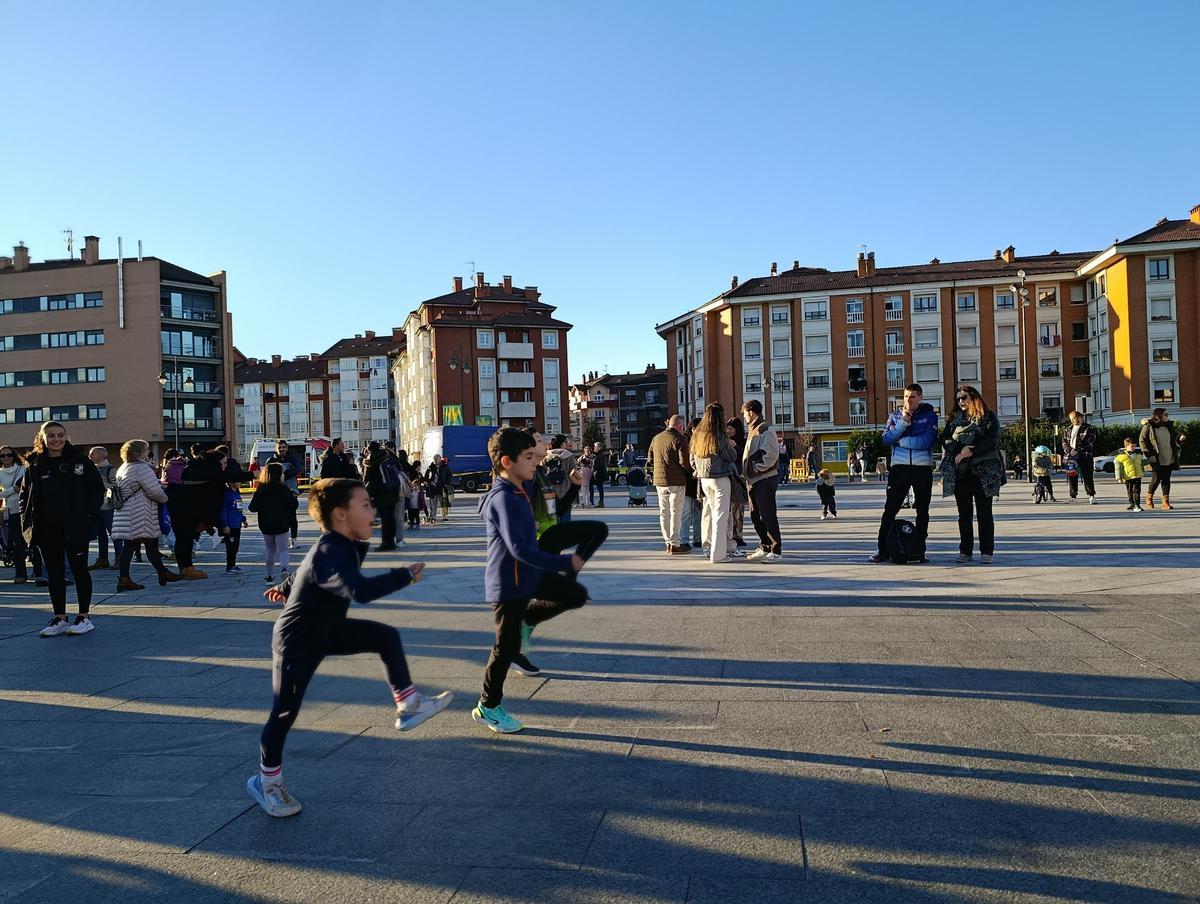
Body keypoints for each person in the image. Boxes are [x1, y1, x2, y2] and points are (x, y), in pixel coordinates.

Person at [250, 477, 452, 817]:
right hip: (297, 641)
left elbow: (307, 565)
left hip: (329, 629)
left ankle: (409, 705)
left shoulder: (348, 543)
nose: (373, 511)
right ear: (341, 514)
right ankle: (267, 782)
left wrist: (286, 586)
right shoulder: (333, 548)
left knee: (385, 636)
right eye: (365, 505)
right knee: (284, 713)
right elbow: (359, 591)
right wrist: (404, 575)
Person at [473, 428, 589, 734]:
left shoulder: (519, 489)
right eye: (528, 457)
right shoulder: (504, 497)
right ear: (508, 462)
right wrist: (564, 561)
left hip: (527, 575)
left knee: (574, 594)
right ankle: (489, 706)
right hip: (509, 583)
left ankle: (529, 619)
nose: (535, 462)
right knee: (505, 646)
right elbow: (518, 549)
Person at [515, 427, 609, 675]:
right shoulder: (524, 475)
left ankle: (524, 628)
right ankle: (515, 647)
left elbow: (556, 507)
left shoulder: (540, 471)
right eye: (537, 439)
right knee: (526, 600)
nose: (545, 442)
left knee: (597, 529)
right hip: (534, 542)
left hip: (550, 536)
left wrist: (576, 486)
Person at [20, 421, 105, 637]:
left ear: (66, 436)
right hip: (46, 528)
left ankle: (84, 617)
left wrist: (86, 514)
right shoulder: (35, 464)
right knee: (55, 573)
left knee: (79, 570)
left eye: (60, 435)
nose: (56, 439)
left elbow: (96, 490)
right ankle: (60, 618)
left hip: (75, 526)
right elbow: (25, 497)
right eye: (51, 435)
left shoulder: (79, 461)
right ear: (42, 438)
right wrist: (27, 522)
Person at [871, 384, 938, 564]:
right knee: (890, 509)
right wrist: (902, 423)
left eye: (913, 396)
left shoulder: (929, 416)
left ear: (920, 398)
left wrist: (901, 440)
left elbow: (927, 441)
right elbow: (886, 439)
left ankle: (919, 549)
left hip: (921, 467)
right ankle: (882, 549)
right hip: (899, 468)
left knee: (922, 510)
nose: (908, 400)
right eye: (906, 396)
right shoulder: (894, 416)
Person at [940, 385, 1004, 564]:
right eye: (958, 398)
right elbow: (945, 439)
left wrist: (970, 451)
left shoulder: (988, 417)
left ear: (974, 397)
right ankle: (965, 551)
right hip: (962, 473)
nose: (961, 401)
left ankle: (987, 551)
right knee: (964, 514)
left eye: (964, 397)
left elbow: (993, 440)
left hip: (984, 471)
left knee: (985, 513)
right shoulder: (953, 418)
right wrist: (961, 450)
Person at [111, 439, 183, 591]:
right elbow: (154, 491)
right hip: (140, 511)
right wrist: (165, 498)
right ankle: (160, 574)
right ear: (139, 452)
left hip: (127, 512)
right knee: (146, 543)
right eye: (146, 449)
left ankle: (132, 577)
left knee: (133, 545)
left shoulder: (124, 467)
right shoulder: (141, 468)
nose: (148, 452)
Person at [690, 403, 739, 564]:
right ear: (720, 417)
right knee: (720, 516)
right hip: (720, 478)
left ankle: (708, 546)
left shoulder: (697, 434)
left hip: (704, 479)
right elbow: (731, 456)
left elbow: (692, 460)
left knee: (708, 514)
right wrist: (732, 446)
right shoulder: (719, 435)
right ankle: (718, 554)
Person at [741, 399, 782, 562]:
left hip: (764, 479)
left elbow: (771, 455)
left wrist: (754, 469)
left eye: (744, 413)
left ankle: (776, 549)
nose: (744, 417)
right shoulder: (753, 429)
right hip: (753, 480)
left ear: (751, 412)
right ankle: (765, 546)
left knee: (767, 515)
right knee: (755, 515)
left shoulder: (765, 429)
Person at [647, 415, 692, 555]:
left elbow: (650, 459)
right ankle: (675, 544)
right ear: (680, 426)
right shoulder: (680, 439)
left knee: (664, 513)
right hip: (676, 481)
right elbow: (684, 462)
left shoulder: (657, 438)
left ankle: (667, 543)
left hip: (660, 481)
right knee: (676, 513)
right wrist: (692, 473)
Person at [249, 462, 300, 582]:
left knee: (270, 550)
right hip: (281, 523)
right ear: (277, 475)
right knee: (283, 550)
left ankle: (269, 576)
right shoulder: (283, 488)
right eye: (282, 473)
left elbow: (252, 508)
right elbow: (294, 505)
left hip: (266, 524)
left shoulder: (261, 489)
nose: (283, 475)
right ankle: (284, 569)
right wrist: (293, 497)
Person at [1, 446, 43, 585]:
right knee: (18, 544)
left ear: (14, 455)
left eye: (9, 454)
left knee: (34, 541)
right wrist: (12, 490)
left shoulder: (23, 468)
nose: (6, 457)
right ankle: (20, 574)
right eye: (3, 455)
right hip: (12, 511)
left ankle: (39, 573)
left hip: (28, 509)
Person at [1139, 408, 1186, 510]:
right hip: (1156, 457)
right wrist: (1149, 455)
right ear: (1158, 415)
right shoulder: (1148, 426)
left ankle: (1165, 502)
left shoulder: (1169, 426)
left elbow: (1175, 438)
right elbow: (1142, 441)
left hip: (1169, 456)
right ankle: (1149, 498)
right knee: (1156, 479)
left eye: (1167, 414)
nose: (1167, 416)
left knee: (1166, 479)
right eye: (1165, 414)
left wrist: (1180, 438)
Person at [361, 441, 401, 550]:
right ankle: (391, 542)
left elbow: (367, 479)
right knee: (391, 517)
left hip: (382, 492)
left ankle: (385, 543)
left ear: (369, 450)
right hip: (393, 490)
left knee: (385, 518)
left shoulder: (370, 461)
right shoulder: (387, 456)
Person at [88, 446, 120, 570]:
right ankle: (103, 559)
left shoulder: (111, 470)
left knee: (114, 533)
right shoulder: (90, 469)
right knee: (101, 534)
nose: (90, 456)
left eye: (92, 454)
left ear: (102, 455)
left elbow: (115, 487)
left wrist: (100, 483)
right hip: (95, 507)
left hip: (107, 506)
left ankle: (119, 557)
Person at [266, 440, 301, 546]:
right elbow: (267, 474)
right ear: (276, 448)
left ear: (287, 448)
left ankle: (294, 539)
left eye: (283, 447)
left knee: (292, 517)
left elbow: (298, 469)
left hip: (291, 491)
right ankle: (281, 540)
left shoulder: (293, 458)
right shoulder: (271, 460)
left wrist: (283, 474)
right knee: (278, 517)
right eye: (279, 447)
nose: (282, 449)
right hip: (276, 493)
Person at [1062, 410, 1099, 503]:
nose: (1072, 421)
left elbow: (1089, 442)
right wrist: (1070, 451)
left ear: (1080, 417)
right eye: (1071, 419)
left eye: (1074, 419)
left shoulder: (1089, 428)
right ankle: (1073, 496)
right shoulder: (1068, 429)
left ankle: (1091, 495)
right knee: (1072, 476)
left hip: (1084, 456)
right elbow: (1064, 442)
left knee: (1087, 476)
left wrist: (1077, 450)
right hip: (1070, 457)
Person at [545, 435, 582, 523]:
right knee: (565, 517)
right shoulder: (568, 456)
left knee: (552, 517)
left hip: (549, 491)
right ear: (562, 444)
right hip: (566, 490)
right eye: (566, 442)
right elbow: (574, 472)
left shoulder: (546, 455)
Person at [725, 418, 749, 548]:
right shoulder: (724, 441)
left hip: (739, 477)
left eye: (731, 429)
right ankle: (730, 534)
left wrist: (736, 447)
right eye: (727, 428)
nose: (728, 431)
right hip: (728, 476)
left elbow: (745, 456)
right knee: (729, 508)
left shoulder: (742, 442)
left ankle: (738, 534)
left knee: (739, 507)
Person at [218, 473, 248, 575]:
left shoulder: (237, 494)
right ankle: (229, 566)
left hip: (237, 524)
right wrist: (225, 525)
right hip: (230, 525)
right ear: (231, 483)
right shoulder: (228, 495)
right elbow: (224, 510)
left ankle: (233, 564)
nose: (239, 483)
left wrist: (243, 519)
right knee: (230, 546)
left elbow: (239, 509)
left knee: (235, 546)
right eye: (237, 481)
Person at [1114, 437, 1146, 512]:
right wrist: (1119, 478)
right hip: (1128, 477)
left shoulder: (1138, 454)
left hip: (1137, 475)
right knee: (1130, 491)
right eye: (1132, 446)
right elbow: (1118, 468)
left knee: (1136, 491)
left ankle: (1137, 505)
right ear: (1126, 446)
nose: (1133, 448)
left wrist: (1150, 460)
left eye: (1134, 446)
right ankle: (1132, 504)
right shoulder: (1121, 456)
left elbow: (1142, 463)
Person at [590, 442, 608, 508]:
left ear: (599, 447)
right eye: (594, 446)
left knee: (599, 488)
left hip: (599, 474)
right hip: (597, 473)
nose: (594, 448)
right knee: (598, 487)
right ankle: (595, 501)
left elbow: (600, 465)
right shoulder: (597, 454)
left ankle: (600, 502)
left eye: (595, 446)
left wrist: (593, 468)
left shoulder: (600, 455)